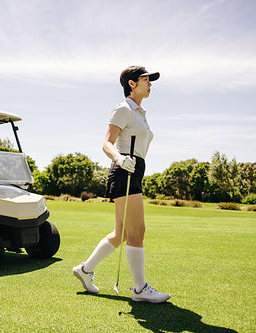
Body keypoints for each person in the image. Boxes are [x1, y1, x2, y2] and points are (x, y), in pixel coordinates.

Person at [73, 65, 170, 303]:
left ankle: (85, 270)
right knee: (137, 232)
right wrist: (119, 158)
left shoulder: (139, 113)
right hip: (124, 170)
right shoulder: (123, 109)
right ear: (132, 84)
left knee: (122, 234)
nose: (150, 84)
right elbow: (107, 143)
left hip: (135, 170)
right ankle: (140, 290)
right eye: (146, 79)